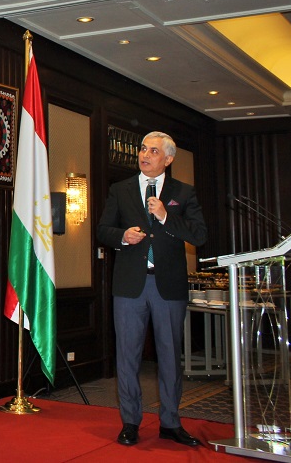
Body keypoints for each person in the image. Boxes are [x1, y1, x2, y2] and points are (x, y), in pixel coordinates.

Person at [97, 131, 207, 447]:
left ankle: (170, 423)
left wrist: (165, 216)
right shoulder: (120, 189)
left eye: (153, 151)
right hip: (129, 285)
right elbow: (103, 230)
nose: (145, 155)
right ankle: (130, 422)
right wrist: (122, 236)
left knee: (169, 357)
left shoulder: (183, 192)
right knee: (127, 357)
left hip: (167, 286)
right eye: (143, 149)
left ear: (168, 159)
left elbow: (199, 235)